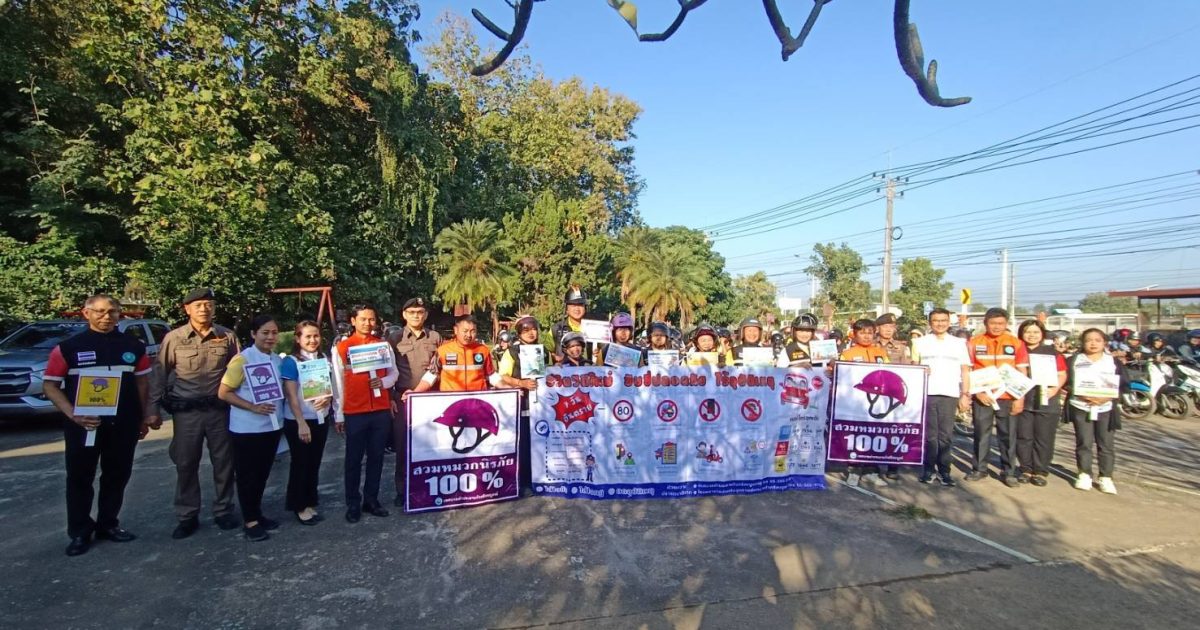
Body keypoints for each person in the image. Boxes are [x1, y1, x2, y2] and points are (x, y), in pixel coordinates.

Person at [42, 295, 155, 556]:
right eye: (100, 311)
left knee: (117, 475)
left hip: (123, 424)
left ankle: (108, 524)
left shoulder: (134, 346)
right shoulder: (67, 348)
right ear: (87, 313)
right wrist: (73, 414)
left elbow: (142, 383)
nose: (107, 317)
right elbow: (50, 386)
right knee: (80, 477)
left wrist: (143, 417)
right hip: (83, 425)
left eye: (112, 311)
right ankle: (80, 531)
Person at [147, 287, 241, 539]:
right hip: (187, 413)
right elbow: (159, 373)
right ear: (187, 309)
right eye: (198, 305)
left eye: (208, 304)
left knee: (224, 462)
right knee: (186, 462)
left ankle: (223, 510)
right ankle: (187, 515)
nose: (204, 309)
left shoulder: (227, 337)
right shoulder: (174, 338)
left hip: (219, 411)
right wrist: (152, 409)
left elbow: (240, 371)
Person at [217, 314, 285, 542]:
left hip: (271, 427)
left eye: (274, 333)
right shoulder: (242, 359)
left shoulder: (276, 359)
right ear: (253, 334)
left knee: (262, 474)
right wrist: (252, 407)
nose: (270, 337)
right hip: (247, 429)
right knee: (247, 476)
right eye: (265, 333)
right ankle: (250, 521)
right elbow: (224, 392)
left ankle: (257, 513)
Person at [333, 305, 399, 523]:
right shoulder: (342, 347)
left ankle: (371, 500)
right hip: (355, 411)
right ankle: (353, 503)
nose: (368, 323)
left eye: (371, 319)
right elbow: (338, 383)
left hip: (380, 411)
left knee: (377, 457)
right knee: (353, 459)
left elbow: (394, 373)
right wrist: (339, 414)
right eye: (363, 319)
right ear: (353, 321)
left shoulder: (382, 345)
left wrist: (383, 382)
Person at [966, 307, 1029, 487]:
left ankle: (1008, 472)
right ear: (985, 323)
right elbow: (968, 370)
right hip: (983, 397)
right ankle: (979, 469)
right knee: (981, 433)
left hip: (1008, 397)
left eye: (1000, 323)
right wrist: (976, 392)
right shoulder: (973, 342)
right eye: (992, 323)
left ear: (1006, 324)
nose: (996, 327)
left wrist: (1020, 398)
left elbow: (1022, 371)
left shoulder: (1016, 343)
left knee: (1008, 435)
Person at [388, 297, 442, 508]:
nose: (416, 316)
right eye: (412, 312)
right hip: (403, 398)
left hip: (430, 398)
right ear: (404, 315)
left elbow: (439, 368)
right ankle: (402, 490)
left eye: (420, 312)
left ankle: (429, 486)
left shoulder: (435, 337)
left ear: (425, 315)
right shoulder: (394, 338)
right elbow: (386, 369)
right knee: (403, 445)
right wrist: (390, 397)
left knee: (431, 444)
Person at [280, 320, 335, 525]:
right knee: (300, 463)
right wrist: (301, 422)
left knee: (314, 462)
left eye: (316, 336)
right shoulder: (291, 361)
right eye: (307, 336)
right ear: (298, 339)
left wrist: (328, 399)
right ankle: (299, 505)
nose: (313, 340)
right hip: (299, 420)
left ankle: (310, 501)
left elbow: (328, 386)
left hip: (320, 417)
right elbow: (291, 395)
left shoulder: (323, 358)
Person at [911, 308, 970, 487]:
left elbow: (965, 370)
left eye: (943, 320)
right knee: (930, 436)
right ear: (930, 323)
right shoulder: (919, 342)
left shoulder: (959, 343)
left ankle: (945, 471)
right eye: (936, 320)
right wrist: (920, 371)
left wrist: (965, 394)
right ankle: (928, 470)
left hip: (950, 394)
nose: (940, 324)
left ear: (949, 322)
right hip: (927, 393)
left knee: (945, 436)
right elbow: (914, 367)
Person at [1065, 329, 1122, 494]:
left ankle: (1106, 477)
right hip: (1081, 406)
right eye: (1089, 340)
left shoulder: (1113, 362)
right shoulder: (1074, 360)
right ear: (1082, 343)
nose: (1093, 343)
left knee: (1106, 444)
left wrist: (1107, 397)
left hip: (1106, 408)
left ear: (1104, 343)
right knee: (1084, 442)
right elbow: (1066, 382)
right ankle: (1084, 474)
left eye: (1098, 340)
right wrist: (1081, 393)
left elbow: (1123, 384)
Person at [1013, 320, 1067, 487]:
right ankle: (1025, 469)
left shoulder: (1052, 353)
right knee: (1024, 436)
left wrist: (1054, 390)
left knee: (1044, 437)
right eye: (1027, 331)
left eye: (1036, 332)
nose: (1032, 335)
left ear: (1042, 334)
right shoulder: (1016, 351)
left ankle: (1040, 471)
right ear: (1021, 334)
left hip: (1046, 399)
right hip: (1022, 399)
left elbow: (1062, 374)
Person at [498, 315, 545, 493]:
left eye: (533, 329)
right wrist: (521, 383)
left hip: (542, 406)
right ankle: (523, 481)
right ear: (518, 333)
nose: (531, 333)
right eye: (526, 330)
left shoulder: (543, 351)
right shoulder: (511, 352)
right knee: (524, 444)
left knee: (539, 443)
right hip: (522, 405)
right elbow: (503, 376)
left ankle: (539, 479)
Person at [408, 315, 502, 394]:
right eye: (465, 331)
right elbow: (431, 375)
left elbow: (491, 375)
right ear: (456, 330)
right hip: (451, 401)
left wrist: (507, 388)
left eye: (473, 331)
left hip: (476, 400)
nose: (469, 335)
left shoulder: (483, 350)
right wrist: (414, 392)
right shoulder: (443, 350)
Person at [875, 313, 912, 481]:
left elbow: (909, 370)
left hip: (894, 394)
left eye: (892, 327)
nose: (889, 329)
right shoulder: (870, 344)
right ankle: (873, 465)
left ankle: (893, 466)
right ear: (878, 328)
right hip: (874, 393)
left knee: (893, 429)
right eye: (885, 326)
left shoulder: (901, 347)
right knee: (874, 429)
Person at [551, 285, 591, 363]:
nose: (577, 309)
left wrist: (598, 354)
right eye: (573, 305)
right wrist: (554, 356)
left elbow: (604, 350)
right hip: (564, 370)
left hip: (590, 369)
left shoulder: (594, 328)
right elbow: (545, 349)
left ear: (585, 308)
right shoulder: (556, 329)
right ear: (566, 309)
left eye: (580, 305)